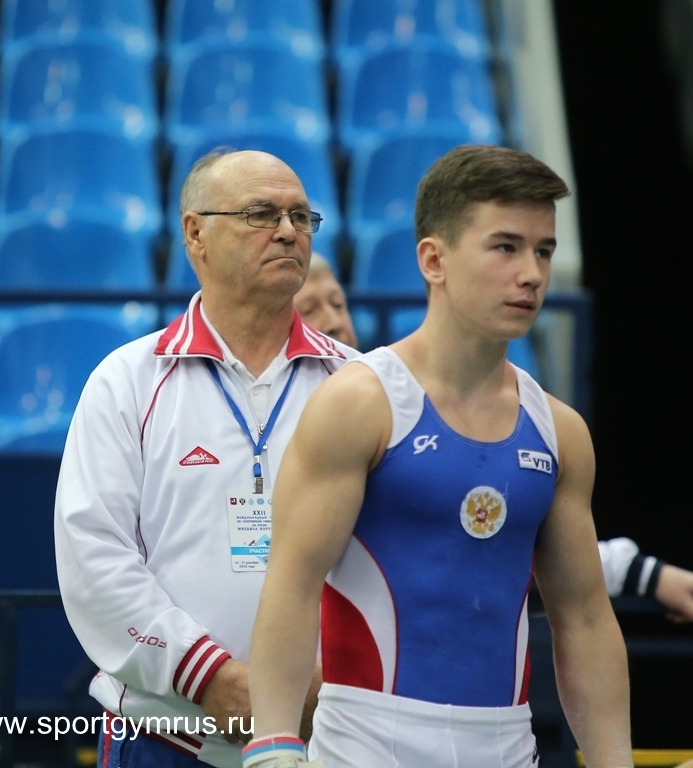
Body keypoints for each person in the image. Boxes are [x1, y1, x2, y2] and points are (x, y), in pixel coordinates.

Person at [246, 145, 634, 768]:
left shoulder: (560, 431)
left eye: (543, 251)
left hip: (507, 747)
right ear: (434, 260)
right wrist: (272, 747)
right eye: (505, 247)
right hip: (366, 745)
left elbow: (585, 620)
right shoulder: (359, 404)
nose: (532, 274)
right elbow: (291, 584)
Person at [54, 149, 357, 768]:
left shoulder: (361, 384)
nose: (288, 231)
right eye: (260, 213)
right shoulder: (128, 380)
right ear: (195, 233)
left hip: (330, 732)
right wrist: (208, 677)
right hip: (165, 737)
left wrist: (337, 676)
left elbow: (396, 559)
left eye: (302, 216)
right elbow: (94, 555)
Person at [296, 254, 693, 624]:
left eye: (338, 304)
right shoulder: (298, 430)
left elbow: (485, 548)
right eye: (311, 310)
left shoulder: (395, 416)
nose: (334, 322)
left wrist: (641, 573)